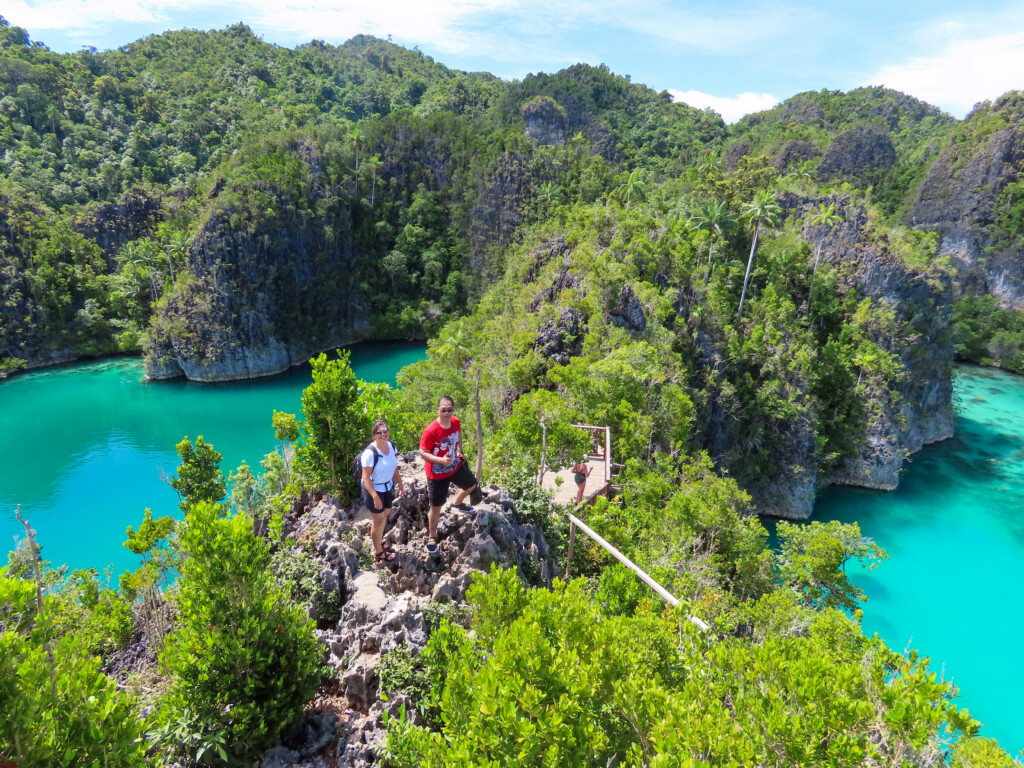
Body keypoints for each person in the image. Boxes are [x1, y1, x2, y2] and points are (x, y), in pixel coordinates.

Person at [419, 395, 479, 556]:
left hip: (454, 465)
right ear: (438, 410)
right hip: (436, 473)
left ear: (453, 410)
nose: (446, 413)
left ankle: (457, 503)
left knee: (472, 484)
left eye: (449, 409)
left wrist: (459, 450)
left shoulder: (456, 422)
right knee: (436, 507)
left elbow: (458, 434)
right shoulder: (431, 430)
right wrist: (440, 460)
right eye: (443, 410)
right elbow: (423, 453)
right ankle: (432, 537)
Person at [360, 420, 403, 563]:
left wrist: (400, 483)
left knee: (384, 516)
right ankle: (378, 552)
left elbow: (394, 466)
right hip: (374, 490)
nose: (383, 434)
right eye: (379, 432)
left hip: (388, 487)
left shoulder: (391, 446)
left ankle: (379, 541)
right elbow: (365, 477)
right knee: (378, 520)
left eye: (385, 431)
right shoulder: (370, 453)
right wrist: (375, 497)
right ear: (374, 435)